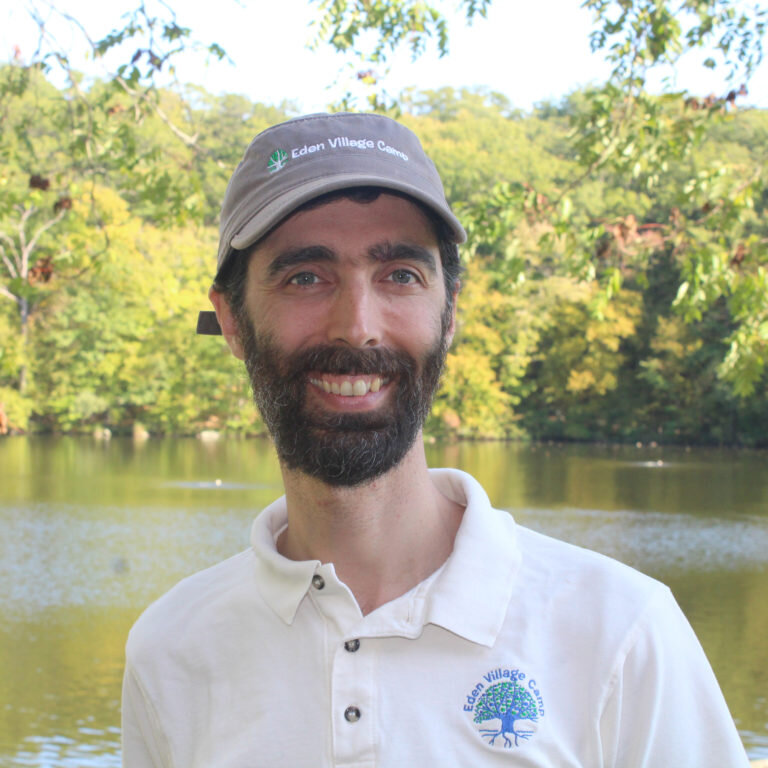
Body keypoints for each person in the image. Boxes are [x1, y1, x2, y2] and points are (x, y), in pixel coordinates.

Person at [121, 112, 750, 767]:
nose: (357, 326)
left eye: (400, 275)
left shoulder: (620, 633)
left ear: (449, 313)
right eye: (305, 277)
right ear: (231, 320)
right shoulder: (172, 651)